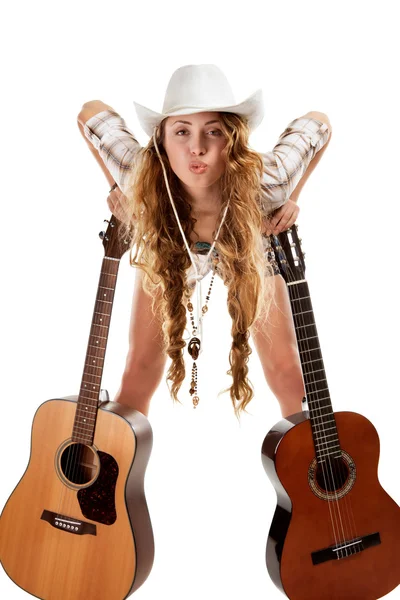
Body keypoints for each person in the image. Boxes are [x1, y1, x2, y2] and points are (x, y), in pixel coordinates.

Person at [77, 64, 332, 421]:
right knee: (139, 367)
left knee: (286, 368)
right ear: (162, 142)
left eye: (213, 132)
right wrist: (117, 188)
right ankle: (117, 467)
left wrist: (291, 198)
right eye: (182, 132)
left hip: (248, 241)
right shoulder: (141, 176)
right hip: (169, 243)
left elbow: (319, 122)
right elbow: (89, 111)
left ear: (232, 139)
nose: (197, 148)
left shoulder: (268, 183)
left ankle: (307, 464)